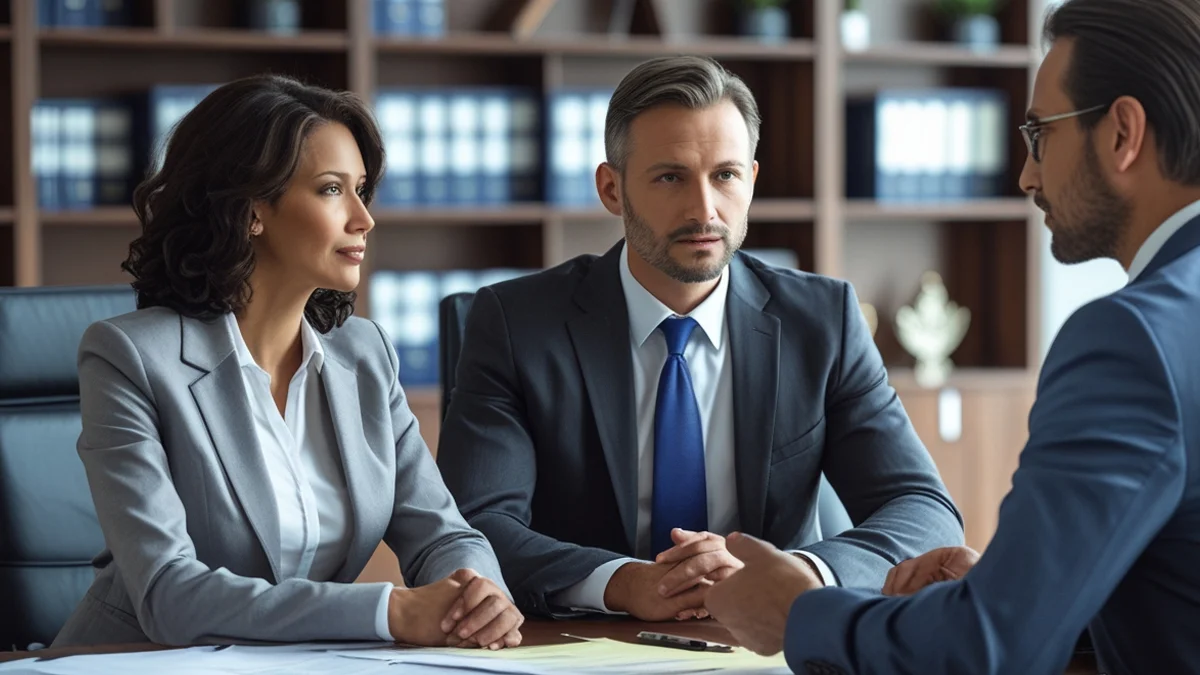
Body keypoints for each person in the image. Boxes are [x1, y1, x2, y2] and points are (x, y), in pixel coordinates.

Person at [704, 1, 1200, 673]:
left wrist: (796, 612)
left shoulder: (1133, 339)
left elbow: (988, 650)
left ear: (1122, 132)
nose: (1026, 175)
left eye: (1039, 134)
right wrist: (999, 595)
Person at [436, 55, 963, 622]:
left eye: (725, 176)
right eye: (671, 177)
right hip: (584, 643)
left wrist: (798, 576)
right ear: (612, 189)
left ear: (752, 182)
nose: (705, 210)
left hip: (766, 644)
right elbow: (476, 525)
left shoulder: (822, 320)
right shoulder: (516, 324)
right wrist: (623, 583)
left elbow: (923, 508)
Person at [52, 75, 524, 649]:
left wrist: (480, 594)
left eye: (362, 189)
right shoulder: (131, 357)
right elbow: (168, 593)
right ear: (252, 211)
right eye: (331, 190)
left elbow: (442, 533)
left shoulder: (365, 353)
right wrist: (390, 611)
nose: (363, 218)